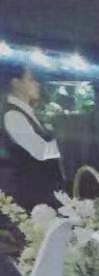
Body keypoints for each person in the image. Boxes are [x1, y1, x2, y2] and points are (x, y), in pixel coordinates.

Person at [1, 62, 64, 210]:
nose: (37, 84)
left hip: (39, 194)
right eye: (31, 80)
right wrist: (68, 146)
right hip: (29, 198)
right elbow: (41, 152)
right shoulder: (13, 115)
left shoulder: (25, 112)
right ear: (16, 83)